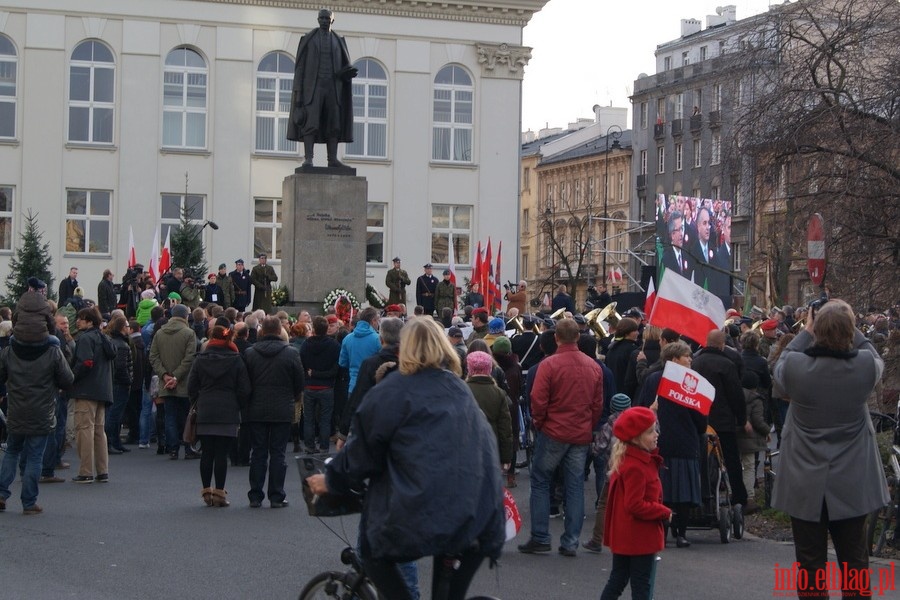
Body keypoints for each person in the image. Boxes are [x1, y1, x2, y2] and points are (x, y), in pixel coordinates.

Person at [307, 318, 505, 600]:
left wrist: (331, 479)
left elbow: (361, 451)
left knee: (374, 553)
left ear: (404, 349)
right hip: (478, 508)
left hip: (425, 506)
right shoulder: (459, 389)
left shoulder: (392, 391)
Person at [772, 299, 886, 598]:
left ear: (814, 329)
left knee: (810, 565)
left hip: (804, 479)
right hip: (852, 479)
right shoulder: (863, 367)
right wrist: (850, 322)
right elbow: (874, 355)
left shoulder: (797, 367)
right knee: (855, 562)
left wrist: (808, 329)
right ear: (851, 331)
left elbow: (782, 364)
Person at [518, 319, 603, 557]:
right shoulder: (593, 366)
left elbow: (538, 399)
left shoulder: (549, 364)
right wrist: (588, 424)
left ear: (556, 338)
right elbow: (597, 403)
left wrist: (540, 422)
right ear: (578, 336)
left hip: (554, 430)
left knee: (541, 480)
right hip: (579, 432)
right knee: (574, 484)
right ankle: (571, 540)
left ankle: (541, 536)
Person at [636, 341, 706, 548]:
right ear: (674, 360)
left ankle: (664, 532)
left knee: (662, 491)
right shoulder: (688, 383)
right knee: (681, 493)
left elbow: (640, 407)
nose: (691, 360)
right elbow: (700, 418)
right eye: (687, 357)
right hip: (681, 442)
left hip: (662, 442)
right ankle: (680, 534)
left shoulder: (652, 379)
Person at [0, 323, 74, 514]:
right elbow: (67, 379)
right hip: (42, 410)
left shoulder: (9, 351)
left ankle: (1, 494)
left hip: (16, 408)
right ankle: (29, 502)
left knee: (12, 451)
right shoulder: (52, 351)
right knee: (34, 456)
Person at [599, 407, 672, 600]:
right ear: (636, 437)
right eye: (650, 431)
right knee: (641, 587)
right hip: (638, 536)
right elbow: (635, 504)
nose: (656, 434)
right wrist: (664, 511)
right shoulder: (637, 466)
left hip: (627, 535)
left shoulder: (629, 460)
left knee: (618, 580)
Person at [243, 315, 305, 508]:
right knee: (278, 453)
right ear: (280, 331)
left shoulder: (250, 353)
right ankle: (276, 495)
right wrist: (292, 398)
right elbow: (299, 382)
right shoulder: (291, 353)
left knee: (258, 452)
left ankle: (255, 495)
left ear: (262, 331)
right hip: (282, 407)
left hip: (257, 406)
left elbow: (245, 382)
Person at [188, 323, 251, 508]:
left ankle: (206, 491)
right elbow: (244, 388)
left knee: (207, 452)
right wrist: (238, 404)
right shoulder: (236, 359)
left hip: (206, 407)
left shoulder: (200, 359)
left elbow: (192, 386)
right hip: (228, 409)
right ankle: (219, 493)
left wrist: (197, 401)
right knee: (221, 454)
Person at [286, 8, 357, 168]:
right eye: (322, 18)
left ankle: (332, 159)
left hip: (333, 88)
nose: (324, 21)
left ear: (332, 20)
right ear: (318, 20)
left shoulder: (339, 41)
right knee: (310, 123)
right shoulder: (308, 40)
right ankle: (309, 158)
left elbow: (343, 66)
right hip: (313, 88)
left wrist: (347, 73)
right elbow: (300, 69)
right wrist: (298, 98)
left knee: (334, 124)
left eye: (327, 18)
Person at [692, 329, 747, 514]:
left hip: (701, 419)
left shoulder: (695, 362)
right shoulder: (727, 364)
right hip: (723, 420)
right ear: (723, 345)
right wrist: (741, 418)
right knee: (731, 459)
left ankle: (701, 496)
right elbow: (736, 394)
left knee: (701, 458)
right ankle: (739, 496)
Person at [70, 308, 117, 483]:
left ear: (89, 321)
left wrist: (70, 379)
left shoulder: (84, 339)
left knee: (84, 430)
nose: (77, 321)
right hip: (103, 390)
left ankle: (86, 471)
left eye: (81, 319)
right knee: (99, 431)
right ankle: (102, 470)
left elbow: (85, 362)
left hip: (85, 390)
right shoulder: (105, 338)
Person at [149, 303, 200, 460]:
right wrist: (176, 376)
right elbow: (190, 357)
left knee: (169, 416)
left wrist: (165, 375)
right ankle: (187, 448)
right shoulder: (189, 333)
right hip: (184, 382)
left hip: (166, 382)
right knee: (186, 417)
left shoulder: (159, 333)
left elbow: (153, 356)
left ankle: (173, 449)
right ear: (185, 316)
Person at [582, 392, 631, 553]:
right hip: (631, 471)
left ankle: (597, 539)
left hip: (614, 471)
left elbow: (598, 449)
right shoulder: (635, 423)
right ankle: (627, 539)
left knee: (604, 504)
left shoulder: (609, 425)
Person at [465, 351, 513, 473]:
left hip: (467, 447)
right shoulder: (498, 393)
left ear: (469, 368)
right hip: (492, 446)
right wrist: (506, 457)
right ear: (490, 368)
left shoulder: (462, 391)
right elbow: (505, 429)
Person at [299, 316, 341, 454]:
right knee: (325, 419)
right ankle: (324, 447)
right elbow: (336, 369)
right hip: (326, 387)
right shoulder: (334, 346)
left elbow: (302, 365)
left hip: (310, 386)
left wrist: (313, 374)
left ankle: (310, 445)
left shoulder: (306, 345)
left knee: (309, 419)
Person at [103, 316, 133, 455]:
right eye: (127, 326)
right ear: (122, 328)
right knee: (114, 415)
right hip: (120, 384)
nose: (129, 328)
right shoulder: (122, 345)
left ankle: (114, 442)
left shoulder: (113, 341)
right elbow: (121, 366)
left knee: (115, 415)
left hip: (114, 382)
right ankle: (110, 442)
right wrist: (128, 380)